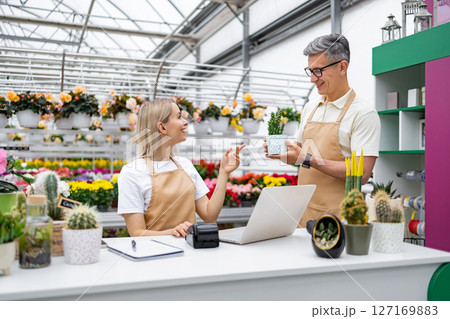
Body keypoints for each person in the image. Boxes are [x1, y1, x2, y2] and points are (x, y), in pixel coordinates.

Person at [265, 33, 380, 227]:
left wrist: (308, 159)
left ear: (342, 67)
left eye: (318, 71)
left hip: (340, 219)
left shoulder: (363, 113)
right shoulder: (312, 107)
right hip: (304, 214)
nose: (312, 79)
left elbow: (362, 173)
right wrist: (286, 154)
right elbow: (301, 152)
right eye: (309, 71)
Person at [118, 98, 245, 237]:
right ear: (162, 127)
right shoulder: (132, 172)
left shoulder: (185, 165)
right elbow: (137, 233)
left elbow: (210, 216)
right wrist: (171, 233)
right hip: (154, 255)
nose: (185, 122)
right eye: (179, 117)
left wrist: (223, 173)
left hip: (190, 253)